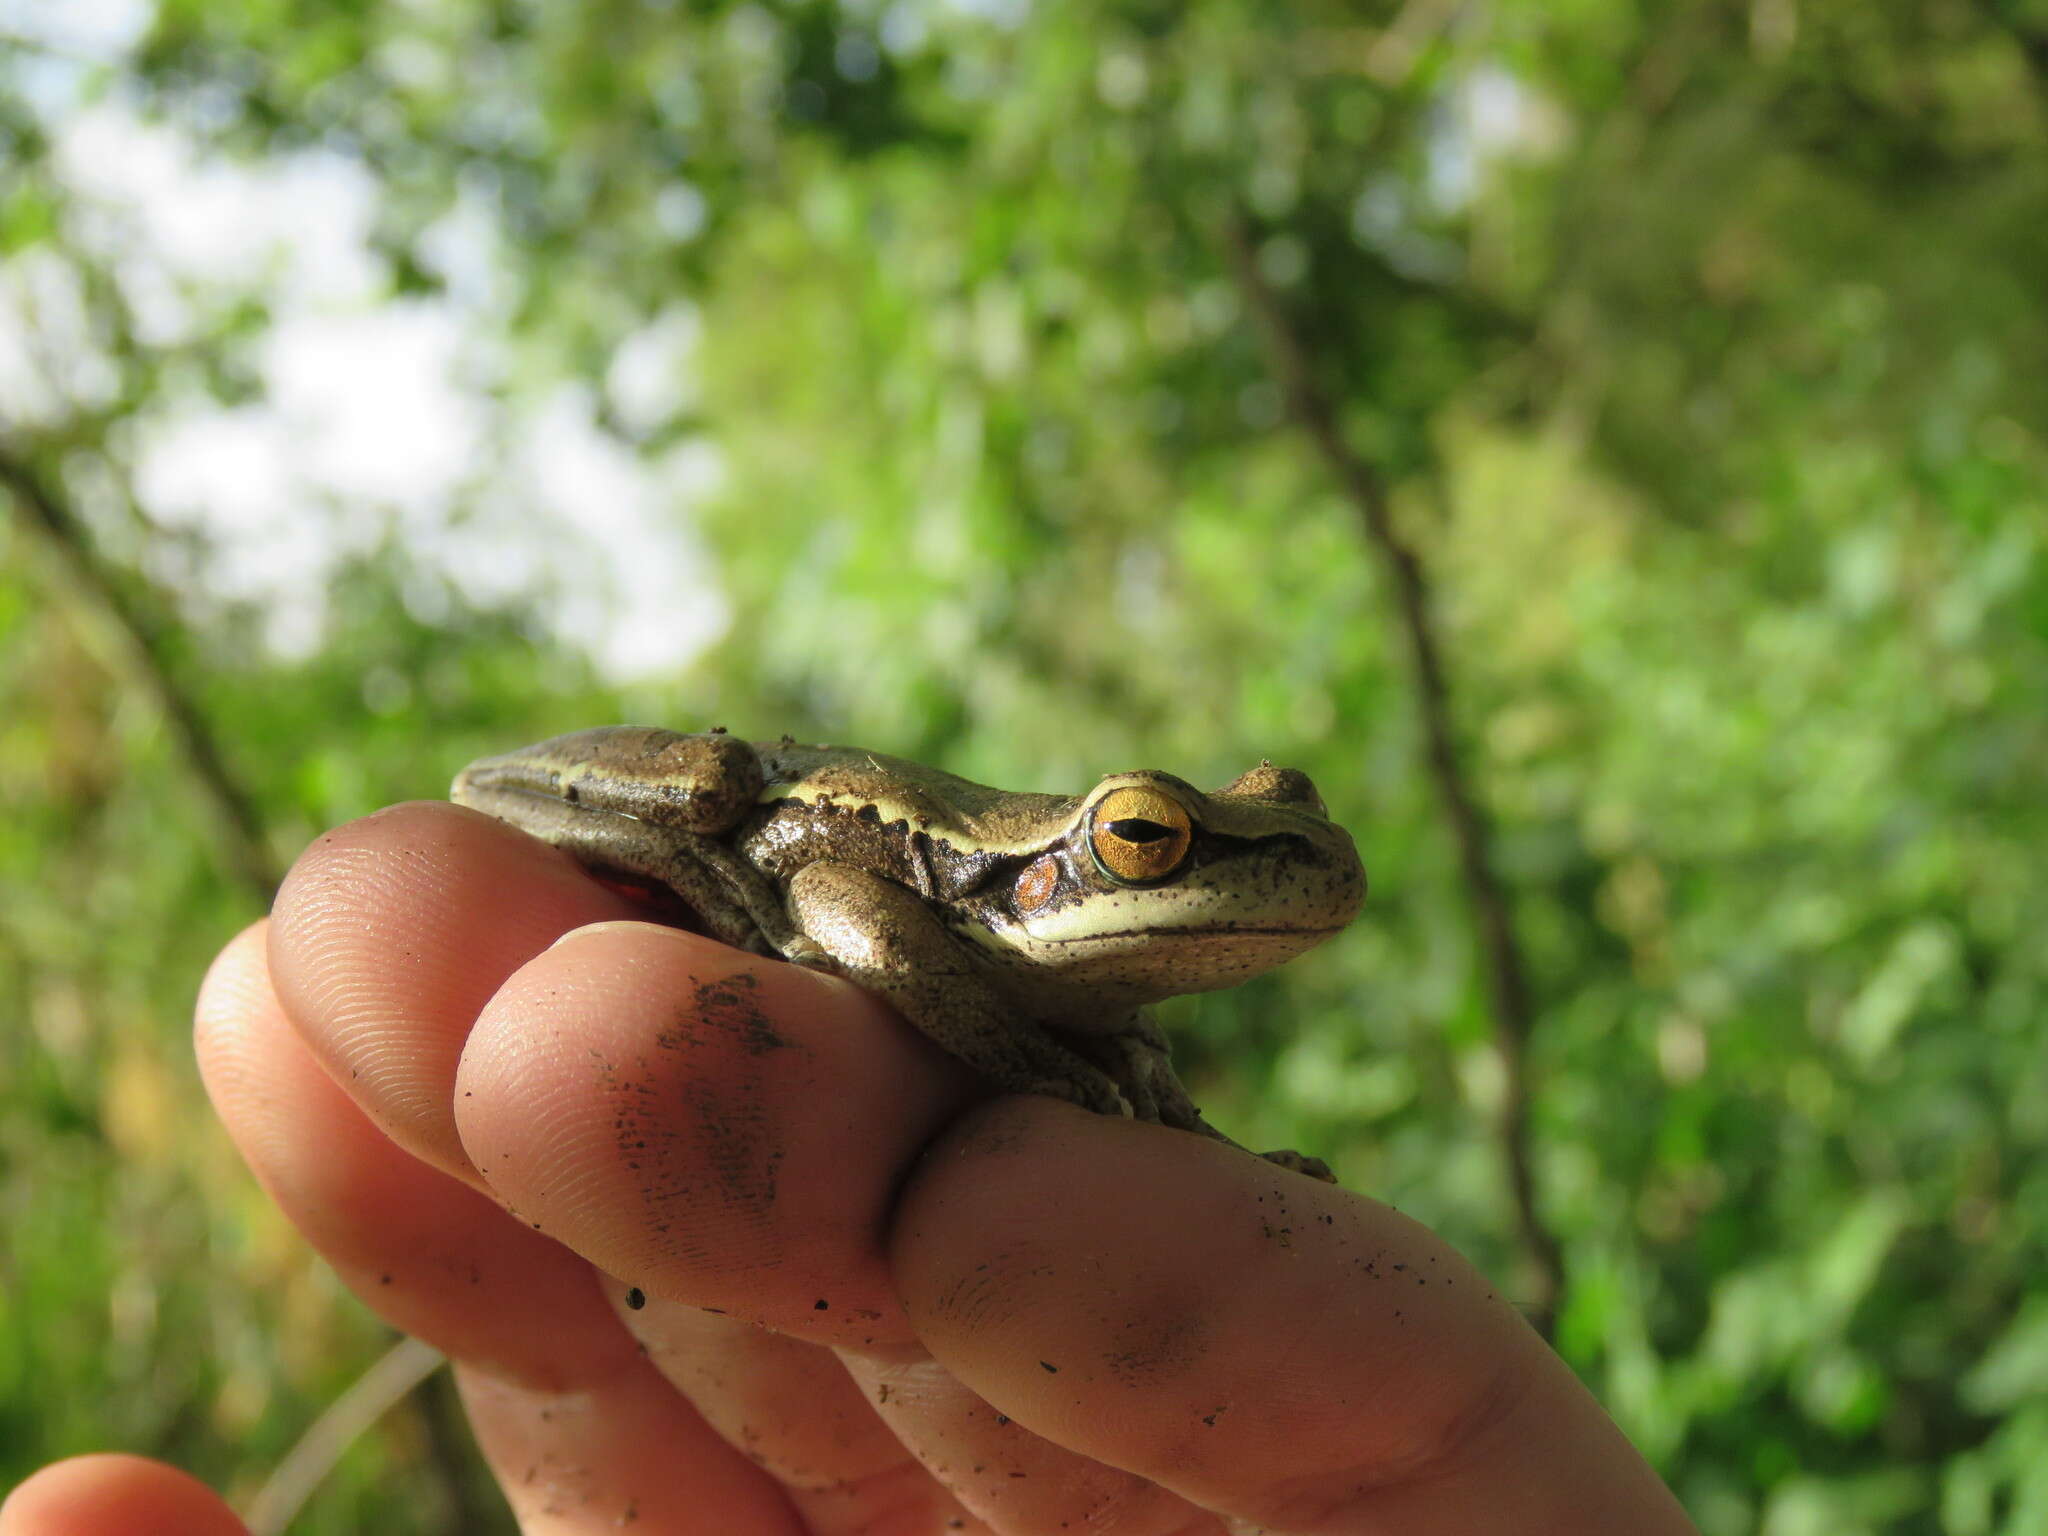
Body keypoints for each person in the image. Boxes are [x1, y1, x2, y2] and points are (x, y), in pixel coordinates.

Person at [2, 801, 1698, 1535]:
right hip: (772, 844)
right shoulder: (957, 901)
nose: (1264, 868)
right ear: (1061, 863)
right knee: (547, 1025)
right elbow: (841, 910)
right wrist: (1034, 1063)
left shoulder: (1100, 1018)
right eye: (1147, 847)